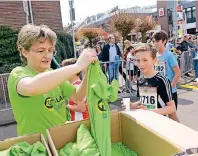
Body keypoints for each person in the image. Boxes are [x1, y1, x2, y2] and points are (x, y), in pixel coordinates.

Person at [7, 24, 97, 137]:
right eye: (41, 51)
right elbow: (32, 87)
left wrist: (88, 73)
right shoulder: (18, 73)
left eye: (50, 50)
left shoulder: (52, 74)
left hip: (60, 142)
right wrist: (76, 66)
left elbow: (78, 96)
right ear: (24, 51)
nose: (47, 55)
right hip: (35, 146)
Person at [122, 44, 176, 116]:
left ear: (154, 60)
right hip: (146, 121)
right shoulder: (140, 79)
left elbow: (172, 108)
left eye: (145, 60)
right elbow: (143, 101)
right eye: (138, 60)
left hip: (159, 122)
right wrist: (133, 105)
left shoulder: (162, 80)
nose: (141, 63)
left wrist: (151, 111)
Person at [152, 30, 181, 122]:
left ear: (164, 41)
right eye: (154, 41)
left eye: (157, 41)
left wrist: (169, 87)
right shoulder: (155, 55)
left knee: (172, 117)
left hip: (170, 92)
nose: (155, 43)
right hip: (158, 91)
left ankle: (181, 134)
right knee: (161, 118)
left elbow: (178, 73)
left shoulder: (169, 55)